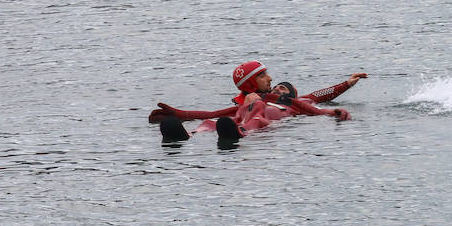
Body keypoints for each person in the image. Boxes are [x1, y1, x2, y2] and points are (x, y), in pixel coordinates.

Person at [151, 61, 367, 146]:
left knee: (257, 114)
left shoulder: (294, 101)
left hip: (265, 117)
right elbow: (215, 112)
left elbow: (319, 96)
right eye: (275, 86)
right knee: (211, 122)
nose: (276, 85)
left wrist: (344, 86)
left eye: (284, 87)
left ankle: (238, 132)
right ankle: (187, 135)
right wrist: (179, 115)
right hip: (241, 115)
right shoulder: (250, 99)